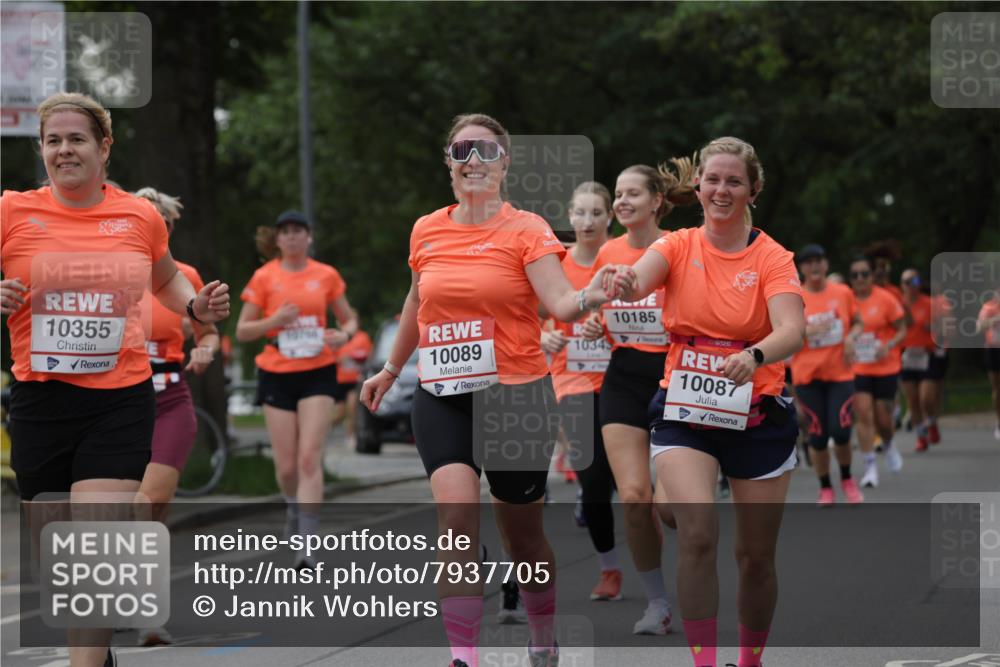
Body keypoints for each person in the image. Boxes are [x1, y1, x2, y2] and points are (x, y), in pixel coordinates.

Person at [360, 113, 621, 667]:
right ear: (449, 164)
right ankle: (465, 657)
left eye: (484, 151)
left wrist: (591, 295)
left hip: (515, 394)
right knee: (456, 521)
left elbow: (560, 304)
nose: (472, 161)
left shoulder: (527, 229)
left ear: (505, 164)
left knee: (522, 538)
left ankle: (543, 637)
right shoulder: (427, 228)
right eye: (461, 151)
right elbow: (415, 303)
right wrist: (389, 370)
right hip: (444, 393)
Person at [0, 92, 230, 667]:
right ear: (42, 150)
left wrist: (196, 306)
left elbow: (168, 280)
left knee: (96, 548)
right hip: (39, 401)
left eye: (76, 139)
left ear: (104, 147)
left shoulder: (137, 216)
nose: (64, 150)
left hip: (119, 401)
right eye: (53, 140)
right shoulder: (10, 211)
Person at [606, 137, 805, 667]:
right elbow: (639, 278)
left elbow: (792, 329)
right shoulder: (677, 246)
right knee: (696, 535)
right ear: (698, 188)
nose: (721, 189)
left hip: (757, 411)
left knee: (755, 558)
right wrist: (625, 283)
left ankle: (750, 660)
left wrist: (756, 354)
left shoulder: (772, 257)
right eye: (712, 180)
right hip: (685, 407)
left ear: (752, 190)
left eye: (733, 181)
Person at [580, 159, 696, 635]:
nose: (622, 202)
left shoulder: (680, 249)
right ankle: (658, 604)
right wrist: (593, 322)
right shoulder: (608, 251)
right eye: (618, 195)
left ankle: (696, 579)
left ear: (657, 202)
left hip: (675, 376)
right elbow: (591, 305)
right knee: (632, 497)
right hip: (624, 374)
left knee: (670, 509)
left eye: (632, 194)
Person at [236, 210, 358, 568]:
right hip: (276, 372)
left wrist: (344, 334)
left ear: (309, 237)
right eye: (285, 232)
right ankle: (293, 507)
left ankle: (307, 544)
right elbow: (243, 331)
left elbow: (349, 317)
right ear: (276, 239)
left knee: (309, 457)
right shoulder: (264, 277)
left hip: (318, 370)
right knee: (287, 466)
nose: (291, 237)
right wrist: (275, 321)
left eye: (298, 231)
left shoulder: (325, 275)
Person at [133, 187, 220, 646]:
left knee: (148, 503)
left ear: (168, 229)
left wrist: (204, 352)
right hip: (118, 400)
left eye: (162, 223)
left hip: (169, 400)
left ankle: (148, 611)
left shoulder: (184, 276)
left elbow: (209, 335)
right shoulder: (112, 270)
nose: (154, 229)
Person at [540, 181, 622, 602]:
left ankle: (595, 499)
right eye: (580, 212)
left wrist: (610, 326)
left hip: (621, 375)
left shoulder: (626, 259)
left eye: (596, 213)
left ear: (609, 217)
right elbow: (529, 313)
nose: (587, 221)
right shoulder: (555, 263)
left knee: (625, 481)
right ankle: (610, 569)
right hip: (571, 376)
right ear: (569, 216)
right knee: (591, 476)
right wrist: (544, 335)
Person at [790, 244, 865, 506]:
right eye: (808, 262)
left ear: (826, 264)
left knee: (841, 430)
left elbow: (858, 322)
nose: (814, 266)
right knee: (818, 435)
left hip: (840, 373)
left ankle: (846, 478)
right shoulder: (793, 296)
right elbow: (783, 331)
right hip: (808, 376)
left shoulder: (843, 292)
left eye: (818, 261)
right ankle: (825, 487)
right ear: (801, 268)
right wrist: (805, 332)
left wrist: (852, 337)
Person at [848, 255, 907, 488]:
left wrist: (889, 345)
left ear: (871, 276)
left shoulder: (886, 299)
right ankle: (870, 467)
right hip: (857, 367)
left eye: (864, 274)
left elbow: (902, 330)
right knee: (863, 414)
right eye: (855, 275)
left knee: (884, 419)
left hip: (885, 366)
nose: (860, 278)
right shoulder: (847, 300)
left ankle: (889, 444)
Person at [899, 269, 948, 451]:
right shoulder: (898, 305)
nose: (911, 285)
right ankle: (921, 436)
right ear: (902, 285)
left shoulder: (929, 303)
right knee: (912, 400)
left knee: (926, 398)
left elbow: (945, 330)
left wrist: (933, 329)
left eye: (915, 281)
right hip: (907, 355)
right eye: (907, 282)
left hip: (927, 355)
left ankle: (932, 422)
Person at [331, 311, 372, 450]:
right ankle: (320, 430)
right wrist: (341, 359)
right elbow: (329, 358)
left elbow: (368, 355)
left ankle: (351, 437)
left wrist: (358, 356)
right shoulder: (336, 338)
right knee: (339, 414)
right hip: (340, 379)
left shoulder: (363, 337)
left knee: (352, 408)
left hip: (355, 379)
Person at [978, 288, 1000, 441]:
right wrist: (994, 320)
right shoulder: (989, 307)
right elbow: (979, 327)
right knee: (997, 388)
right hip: (994, 350)